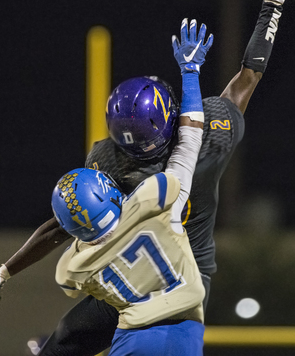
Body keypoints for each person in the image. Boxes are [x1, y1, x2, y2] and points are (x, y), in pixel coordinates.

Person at [0, 0, 295, 355]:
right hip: (186, 275)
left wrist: (2, 273)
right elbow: (246, 80)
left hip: (136, 275)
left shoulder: (108, 159)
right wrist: (272, 4)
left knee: (65, 339)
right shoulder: (203, 141)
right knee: (82, 337)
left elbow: (63, 225)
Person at [49, 21, 211, 356]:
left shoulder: (75, 265)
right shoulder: (157, 198)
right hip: (185, 330)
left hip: (133, 332)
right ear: (111, 196)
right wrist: (191, 71)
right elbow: (191, 136)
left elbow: (71, 276)